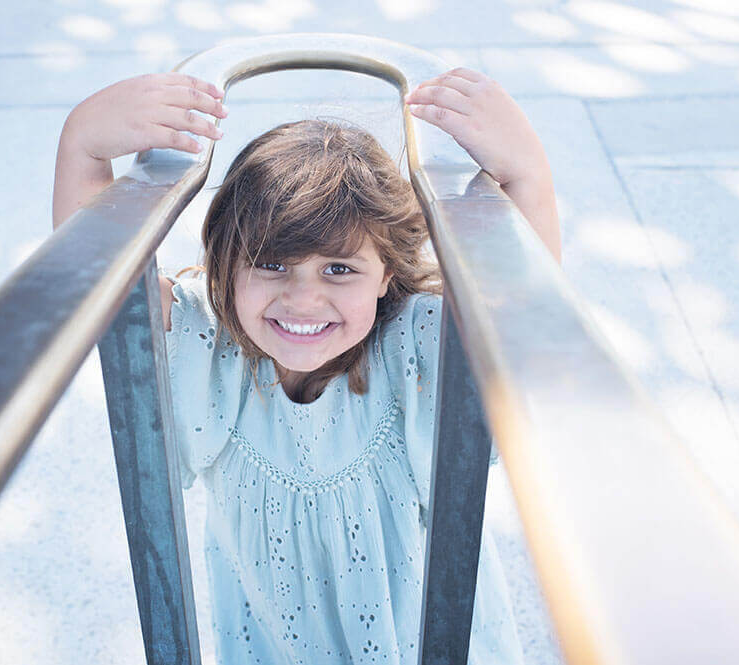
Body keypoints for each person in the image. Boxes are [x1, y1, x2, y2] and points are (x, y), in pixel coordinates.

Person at [53, 69, 560, 664]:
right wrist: (82, 140)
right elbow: (103, 291)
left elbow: (518, 316)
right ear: (227, 263)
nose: (302, 299)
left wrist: (527, 171)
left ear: (387, 275)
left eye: (339, 270)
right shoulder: (210, 353)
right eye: (272, 264)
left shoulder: (412, 350)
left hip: (423, 647)